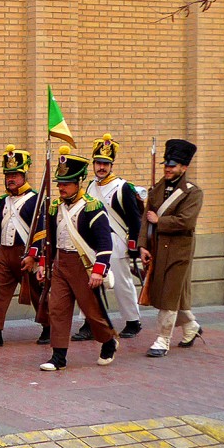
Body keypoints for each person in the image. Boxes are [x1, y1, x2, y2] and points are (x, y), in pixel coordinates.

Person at [35, 147, 119, 371]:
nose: (61, 187)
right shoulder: (54, 208)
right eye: (60, 183)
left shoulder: (92, 207)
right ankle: (58, 357)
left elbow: (104, 243)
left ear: (78, 182)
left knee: (92, 312)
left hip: (83, 266)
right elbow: (49, 241)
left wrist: (98, 270)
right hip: (61, 264)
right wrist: (44, 264)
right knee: (58, 310)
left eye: (66, 183)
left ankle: (108, 340)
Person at [70, 133, 143, 341]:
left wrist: (133, 245)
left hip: (117, 242)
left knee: (122, 284)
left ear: (112, 165)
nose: (101, 167)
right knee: (90, 282)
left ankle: (132, 321)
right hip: (94, 244)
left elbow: (134, 220)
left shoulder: (123, 188)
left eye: (106, 163)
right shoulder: (91, 187)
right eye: (98, 163)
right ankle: (90, 323)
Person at [0, 145, 50, 348]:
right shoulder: (3, 202)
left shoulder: (35, 200)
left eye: (15, 174)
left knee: (37, 292)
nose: (11, 178)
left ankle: (48, 328)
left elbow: (41, 231)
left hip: (25, 254)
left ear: (24, 175)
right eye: (8, 174)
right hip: (5, 254)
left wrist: (33, 256)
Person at [139, 139, 204, 358]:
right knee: (170, 293)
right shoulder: (156, 188)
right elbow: (145, 219)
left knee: (169, 294)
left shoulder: (193, 192)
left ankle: (163, 339)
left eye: (173, 165)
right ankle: (191, 327)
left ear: (183, 167)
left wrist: (160, 221)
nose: (168, 168)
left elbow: (186, 221)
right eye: (166, 164)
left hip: (179, 250)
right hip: (158, 248)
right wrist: (143, 246)